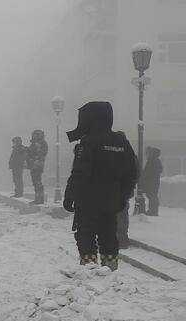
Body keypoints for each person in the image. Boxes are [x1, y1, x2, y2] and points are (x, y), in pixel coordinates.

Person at [62, 102, 138, 270]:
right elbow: (131, 173)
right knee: (109, 235)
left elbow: (80, 173)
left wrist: (70, 196)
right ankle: (110, 269)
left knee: (85, 235)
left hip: (88, 199)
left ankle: (89, 269)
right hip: (111, 200)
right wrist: (122, 196)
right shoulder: (121, 142)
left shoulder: (88, 142)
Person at [27, 129, 49, 205]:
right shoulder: (37, 143)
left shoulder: (41, 143)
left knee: (37, 182)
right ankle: (38, 199)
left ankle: (39, 199)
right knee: (36, 182)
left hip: (37, 165)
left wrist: (32, 158)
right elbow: (31, 152)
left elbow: (40, 154)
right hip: (35, 165)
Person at [141, 147, 163, 216]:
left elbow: (149, 172)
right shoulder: (153, 161)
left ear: (151, 154)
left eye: (147, 153)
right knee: (151, 196)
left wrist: (144, 175)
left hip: (152, 183)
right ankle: (152, 210)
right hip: (152, 182)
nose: (146, 155)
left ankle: (153, 211)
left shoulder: (153, 161)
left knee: (152, 196)